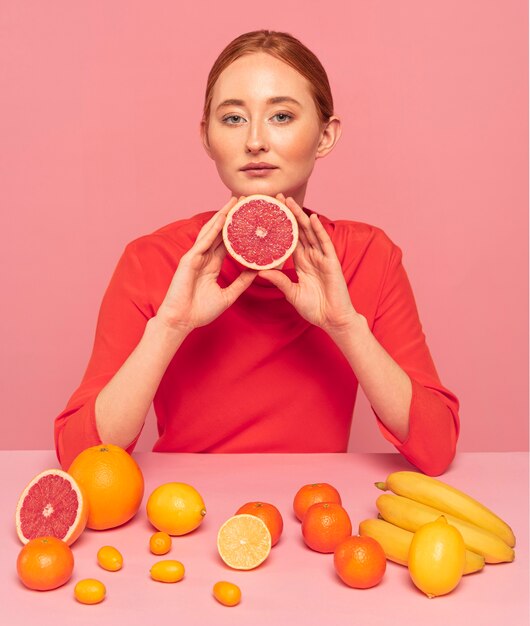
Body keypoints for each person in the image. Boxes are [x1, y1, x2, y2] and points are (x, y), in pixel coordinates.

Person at [54, 30, 459, 476]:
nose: (254, 142)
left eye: (281, 116)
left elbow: (437, 448)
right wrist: (170, 327)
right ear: (206, 136)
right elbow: (79, 458)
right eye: (232, 119)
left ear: (326, 136)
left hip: (318, 509)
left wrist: (347, 328)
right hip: (185, 511)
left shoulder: (369, 258)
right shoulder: (152, 259)